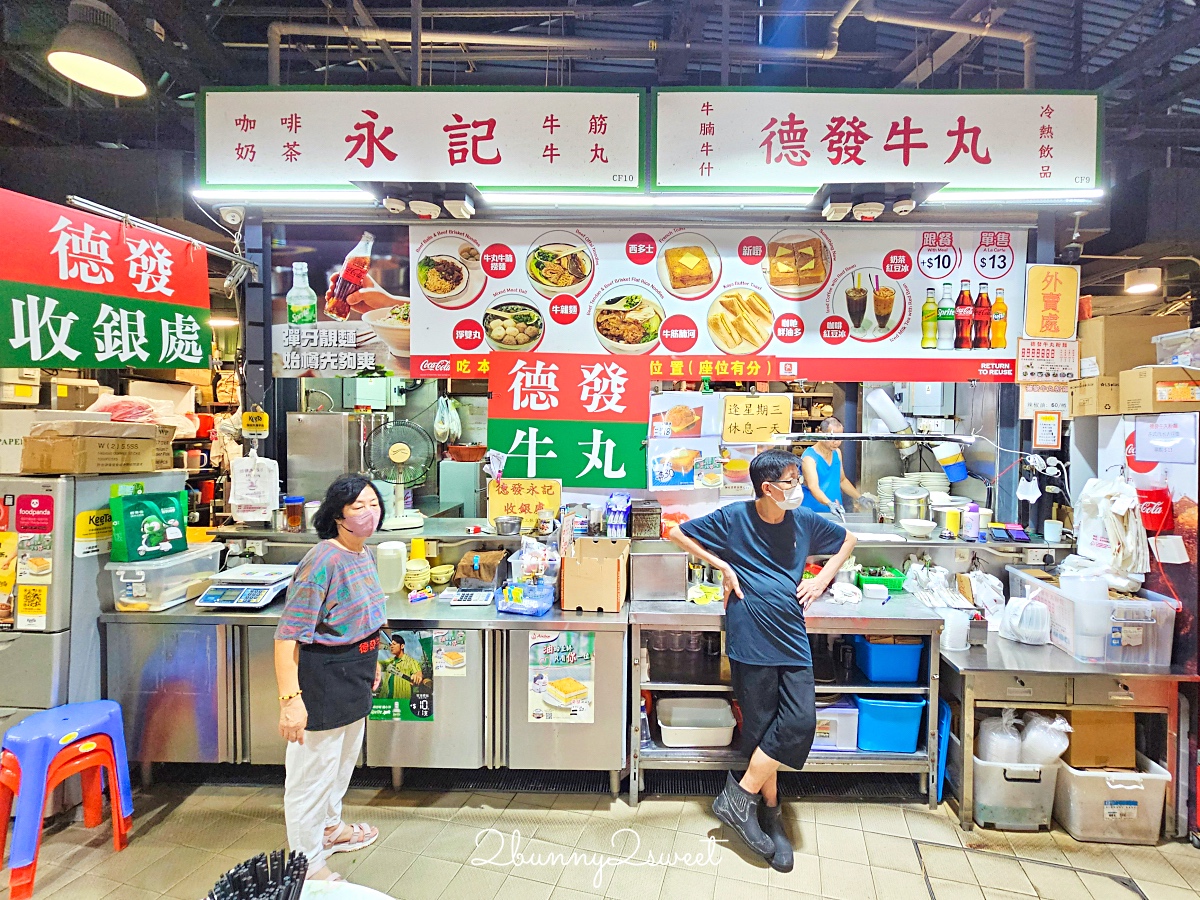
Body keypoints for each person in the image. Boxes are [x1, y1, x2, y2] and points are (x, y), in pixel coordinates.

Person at [667, 448, 856, 871]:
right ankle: (770, 814)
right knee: (761, 727)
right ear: (768, 488)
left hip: (790, 631)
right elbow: (676, 533)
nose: (800, 490)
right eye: (792, 482)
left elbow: (849, 539)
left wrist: (823, 576)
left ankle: (738, 798)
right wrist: (723, 568)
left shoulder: (803, 521)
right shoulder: (734, 517)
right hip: (749, 632)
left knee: (800, 720)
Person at [275, 474, 388, 882]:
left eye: (373, 503)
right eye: (357, 505)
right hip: (322, 677)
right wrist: (291, 701)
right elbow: (288, 635)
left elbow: (363, 616)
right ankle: (305, 864)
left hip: (355, 671)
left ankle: (330, 829)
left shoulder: (363, 553)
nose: (368, 512)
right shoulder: (323, 560)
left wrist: (372, 658)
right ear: (337, 514)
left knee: (340, 765)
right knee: (311, 775)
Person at [800, 416, 861, 518]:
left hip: (836, 512)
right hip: (814, 514)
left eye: (839, 438)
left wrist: (860, 497)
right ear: (821, 435)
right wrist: (830, 504)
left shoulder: (837, 452)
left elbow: (842, 480)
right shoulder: (809, 458)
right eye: (832, 437)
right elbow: (813, 487)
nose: (836, 442)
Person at [379, 632, 425, 700]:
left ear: (402, 646)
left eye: (394, 644)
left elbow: (418, 674)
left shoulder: (411, 662)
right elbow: (374, 665)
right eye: (390, 644)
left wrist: (417, 677)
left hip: (401, 703)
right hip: (386, 702)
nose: (391, 646)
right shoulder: (389, 662)